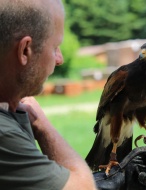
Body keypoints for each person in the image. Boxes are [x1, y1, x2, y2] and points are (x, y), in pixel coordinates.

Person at [0, 0, 96, 189]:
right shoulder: (3, 134)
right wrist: (41, 124)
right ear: (25, 50)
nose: (59, 59)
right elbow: (84, 187)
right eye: (55, 47)